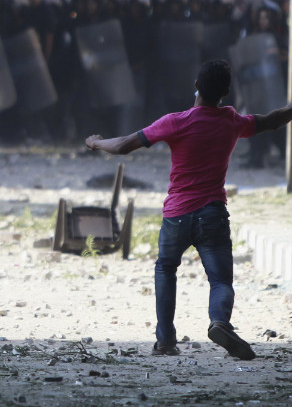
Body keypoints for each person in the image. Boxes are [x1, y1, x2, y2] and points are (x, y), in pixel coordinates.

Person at [85, 59, 292, 360]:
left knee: (166, 269)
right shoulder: (231, 120)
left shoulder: (175, 121)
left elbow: (125, 145)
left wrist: (97, 143)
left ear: (196, 86)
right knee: (220, 280)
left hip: (176, 216)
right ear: (225, 92)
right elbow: (273, 120)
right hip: (212, 213)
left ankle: (166, 341)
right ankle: (219, 322)